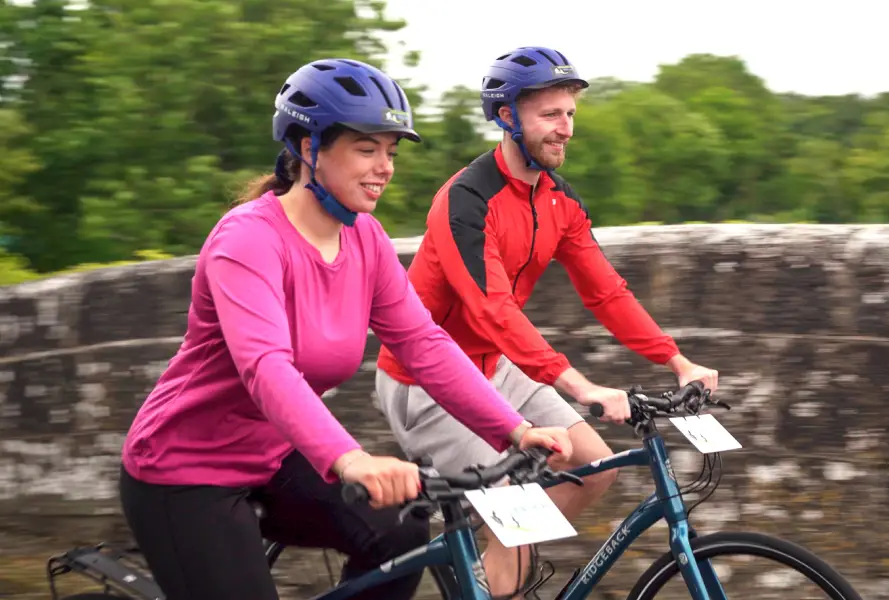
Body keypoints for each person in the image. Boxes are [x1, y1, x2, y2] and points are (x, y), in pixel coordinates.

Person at [117, 57, 573, 600]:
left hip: (274, 453)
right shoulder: (247, 240)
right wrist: (350, 459)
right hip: (186, 469)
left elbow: (424, 345)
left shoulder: (366, 239)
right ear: (309, 150)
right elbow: (266, 368)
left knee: (403, 524)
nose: (385, 167)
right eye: (366, 149)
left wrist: (513, 429)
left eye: (390, 151)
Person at [374, 46, 720, 597]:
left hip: (496, 366)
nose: (566, 130)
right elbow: (492, 310)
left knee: (597, 467)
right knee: (517, 506)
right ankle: (494, 572)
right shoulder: (465, 200)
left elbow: (606, 291)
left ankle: (487, 573)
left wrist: (676, 359)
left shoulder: (558, 200)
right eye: (551, 115)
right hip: (426, 378)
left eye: (571, 114)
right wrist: (581, 386)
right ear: (507, 116)